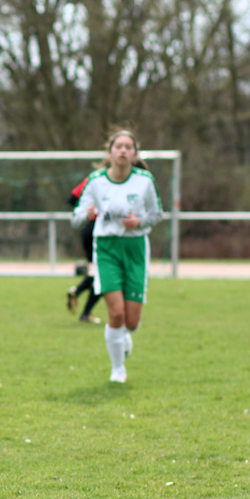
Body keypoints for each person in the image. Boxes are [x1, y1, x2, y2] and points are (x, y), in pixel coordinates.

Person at [70, 128, 163, 383]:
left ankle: (124, 336)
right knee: (117, 315)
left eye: (128, 147)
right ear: (109, 152)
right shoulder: (96, 181)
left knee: (131, 322)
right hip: (107, 248)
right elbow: (75, 217)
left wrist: (140, 221)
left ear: (135, 153)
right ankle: (117, 369)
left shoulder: (144, 180)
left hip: (135, 249)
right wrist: (86, 214)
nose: (123, 150)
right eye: (118, 146)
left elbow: (157, 214)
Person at [66, 175, 103, 324]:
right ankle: (85, 312)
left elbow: (72, 199)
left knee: (96, 272)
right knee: (102, 275)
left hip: (88, 229)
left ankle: (77, 292)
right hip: (100, 231)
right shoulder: (103, 179)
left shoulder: (91, 178)